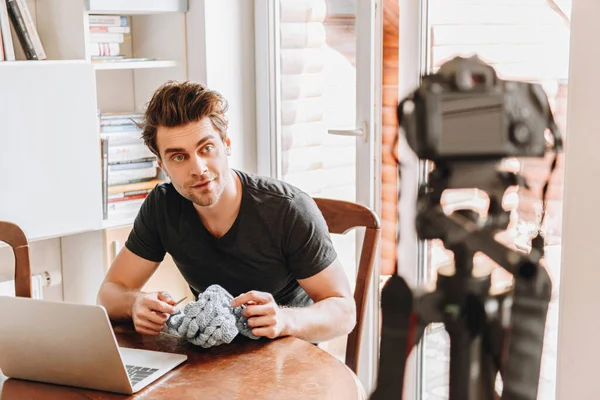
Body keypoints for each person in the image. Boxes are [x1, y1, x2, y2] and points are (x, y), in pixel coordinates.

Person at [97, 81, 356, 344]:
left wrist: (284, 319)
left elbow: (344, 312)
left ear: (226, 144)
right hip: (211, 359)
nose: (198, 168)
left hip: (289, 360)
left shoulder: (288, 209)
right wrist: (135, 303)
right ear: (162, 165)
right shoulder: (162, 206)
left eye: (206, 148)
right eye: (179, 157)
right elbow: (109, 293)